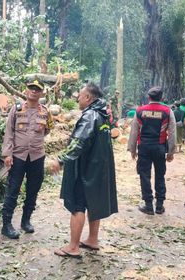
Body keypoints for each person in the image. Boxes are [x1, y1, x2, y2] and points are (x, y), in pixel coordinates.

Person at [49, 82, 118, 258]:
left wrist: (61, 159)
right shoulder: (103, 115)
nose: (77, 98)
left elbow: (79, 142)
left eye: (80, 95)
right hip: (98, 168)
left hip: (85, 169)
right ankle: (92, 239)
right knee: (94, 201)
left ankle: (73, 247)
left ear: (88, 98)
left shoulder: (90, 116)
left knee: (77, 204)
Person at [0, 78, 53, 239]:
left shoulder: (45, 111)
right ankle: (6, 225)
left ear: (42, 93)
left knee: (33, 189)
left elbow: (47, 130)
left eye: (37, 89)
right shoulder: (16, 109)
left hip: (37, 156)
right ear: (26, 90)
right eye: (31, 88)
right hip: (18, 156)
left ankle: (26, 221)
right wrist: (7, 154)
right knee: (13, 189)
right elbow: (9, 132)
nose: (34, 91)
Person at [127, 86, 176, 215]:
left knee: (144, 175)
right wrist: (171, 151)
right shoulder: (167, 111)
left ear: (148, 97)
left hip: (144, 147)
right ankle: (159, 205)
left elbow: (134, 131)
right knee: (160, 175)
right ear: (161, 98)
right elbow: (172, 133)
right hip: (159, 147)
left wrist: (132, 149)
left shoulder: (140, 111)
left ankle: (148, 205)